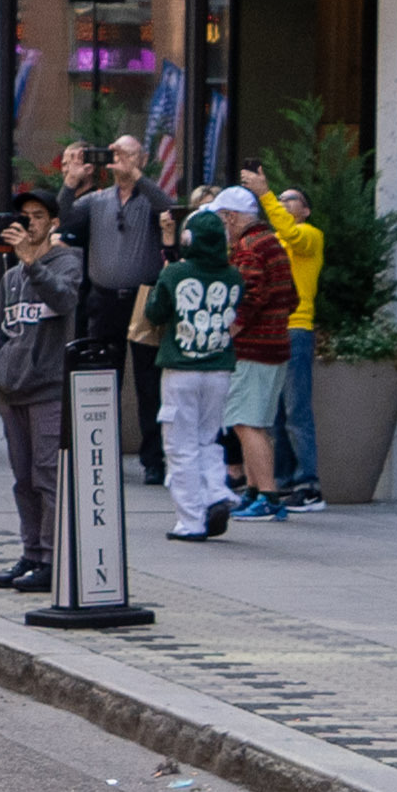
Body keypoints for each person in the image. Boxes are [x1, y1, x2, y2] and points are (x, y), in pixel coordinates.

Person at [0, 191, 82, 590]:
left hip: (48, 388)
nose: (29, 223)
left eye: (38, 216)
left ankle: (54, 560)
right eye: (24, 217)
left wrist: (33, 262)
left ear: (53, 222)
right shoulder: (11, 276)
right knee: (23, 480)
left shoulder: (66, 262)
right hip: (12, 392)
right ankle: (32, 552)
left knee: (47, 476)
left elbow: (65, 298)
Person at [61, 138, 173, 479]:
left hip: (143, 299)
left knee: (148, 382)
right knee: (103, 378)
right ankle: (101, 452)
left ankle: (154, 459)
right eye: (116, 154)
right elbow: (64, 219)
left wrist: (136, 175)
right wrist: (71, 181)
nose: (121, 159)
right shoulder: (96, 200)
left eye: (129, 153)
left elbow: (168, 209)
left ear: (142, 158)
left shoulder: (150, 197)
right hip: (104, 299)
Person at [143, 207, 245, 541]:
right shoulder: (233, 276)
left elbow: (155, 312)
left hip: (181, 368)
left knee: (179, 446)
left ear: (190, 239)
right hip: (218, 368)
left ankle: (191, 520)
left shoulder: (175, 274)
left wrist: (164, 276)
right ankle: (216, 493)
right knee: (207, 438)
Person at [241, 166, 329, 507]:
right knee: (274, 413)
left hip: (296, 328)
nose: (283, 202)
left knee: (296, 410)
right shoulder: (272, 239)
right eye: (279, 200)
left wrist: (264, 194)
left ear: (305, 209)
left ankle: (309, 485)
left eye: (290, 200)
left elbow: (291, 234)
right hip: (272, 330)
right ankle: (281, 482)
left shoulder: (310, 235)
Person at [216, 186, 301, 521]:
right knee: (257, 423)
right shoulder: (271, 244)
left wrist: (229, 332)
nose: (223, 226)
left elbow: (248, 298)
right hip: (274, 345)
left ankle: (267, 496)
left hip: (252, 349)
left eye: (223, 218)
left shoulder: (249, 248)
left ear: (233, 217)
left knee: (245, 422)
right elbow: (290, 297)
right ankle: (254, 491)